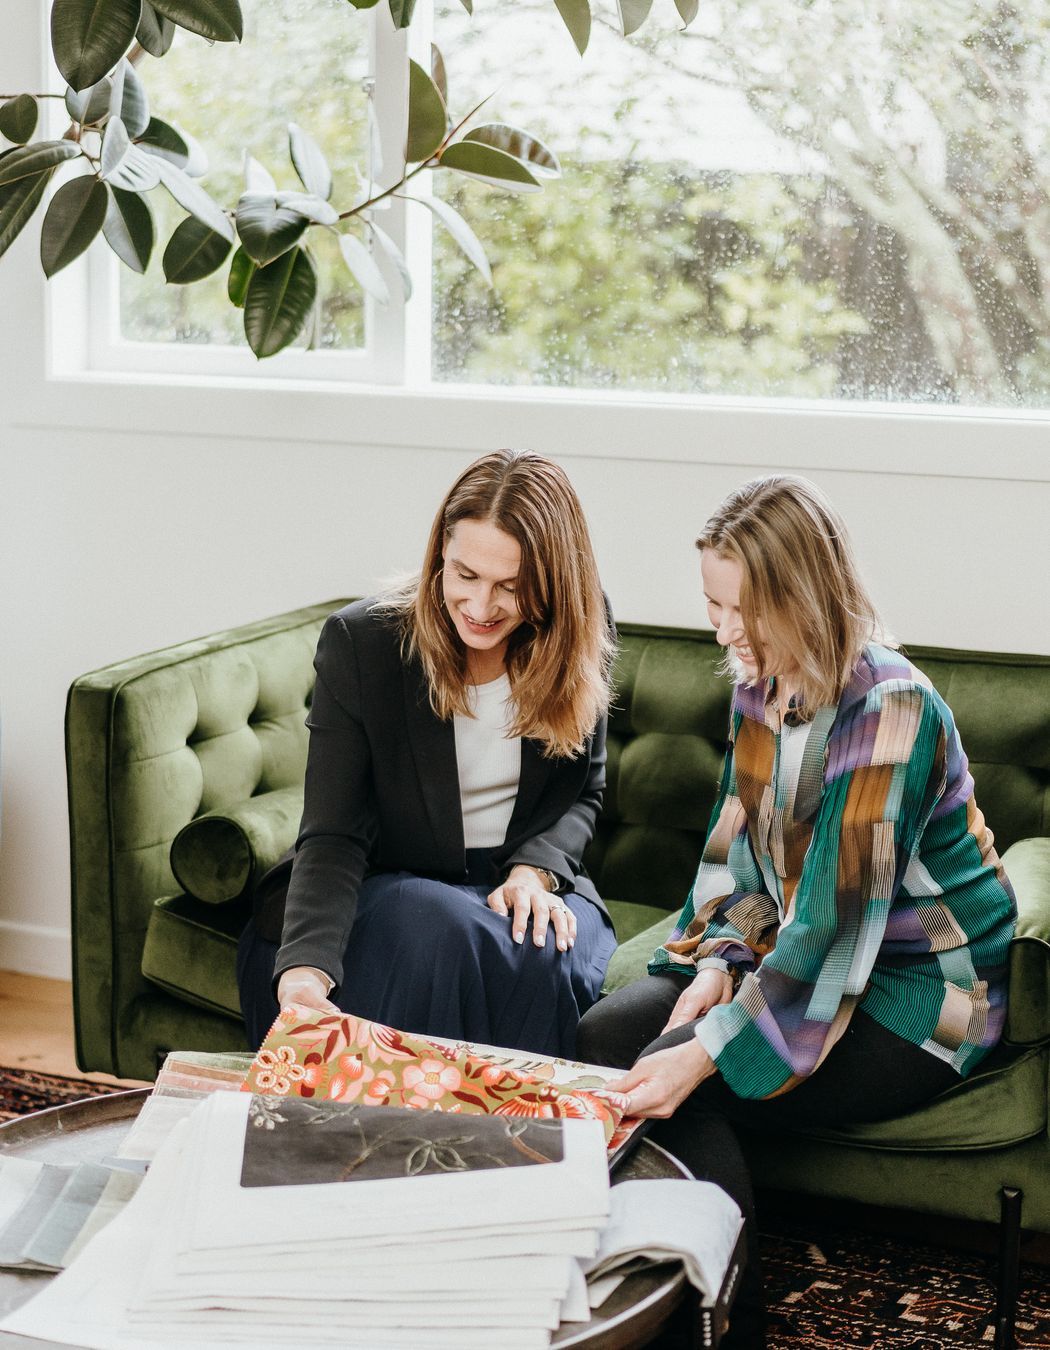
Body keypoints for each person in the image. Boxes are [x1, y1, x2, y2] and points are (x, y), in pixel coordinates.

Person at [576, 475, 1016, 1350]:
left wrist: (704, 1048)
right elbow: (737, 852)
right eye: (713, 605)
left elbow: (836, 923)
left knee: (677, 1081)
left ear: (806, 596)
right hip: (803, 951)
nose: (727, 632)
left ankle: (726, 1326)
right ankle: (643, 1295)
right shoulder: (759, 684)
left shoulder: (891, 707)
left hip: (924, 986)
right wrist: (714, 963)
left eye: (748, 609)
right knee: (603, 1039)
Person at [237, 448, 618, 1059]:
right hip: (384, 890)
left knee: (545, 954)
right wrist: (306, 966)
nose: (481, 606)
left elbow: (584, 791)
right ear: (440, 551)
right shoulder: (365, 644)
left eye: (512, 588)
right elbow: (334, 831)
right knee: (433, 921)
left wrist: (534, 872)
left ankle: (519, 1143)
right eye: (464, 575)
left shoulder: (580, 629)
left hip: (510, 884)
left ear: (552, 584)